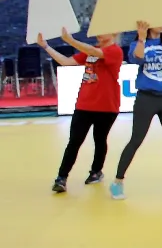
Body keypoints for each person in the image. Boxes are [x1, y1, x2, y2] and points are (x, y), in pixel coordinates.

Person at [110, 19, 162, 200]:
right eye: (158, 20)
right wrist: (141, 39)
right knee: (136, 140)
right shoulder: (137, 44)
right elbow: (137, 59)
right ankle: (117, 182)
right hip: (146, 99)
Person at [39, 28, 122, 192]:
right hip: (84, 105)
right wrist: (46, 46)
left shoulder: (115, 51)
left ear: (114, 33)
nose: (99, 32)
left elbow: (92, 50)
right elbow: (66, 62)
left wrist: (70, 40)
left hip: (107, 106)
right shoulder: (90, 51)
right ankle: (61, 177)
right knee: (74, 141)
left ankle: (96, 171)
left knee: (100, 139)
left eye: (104, 29)